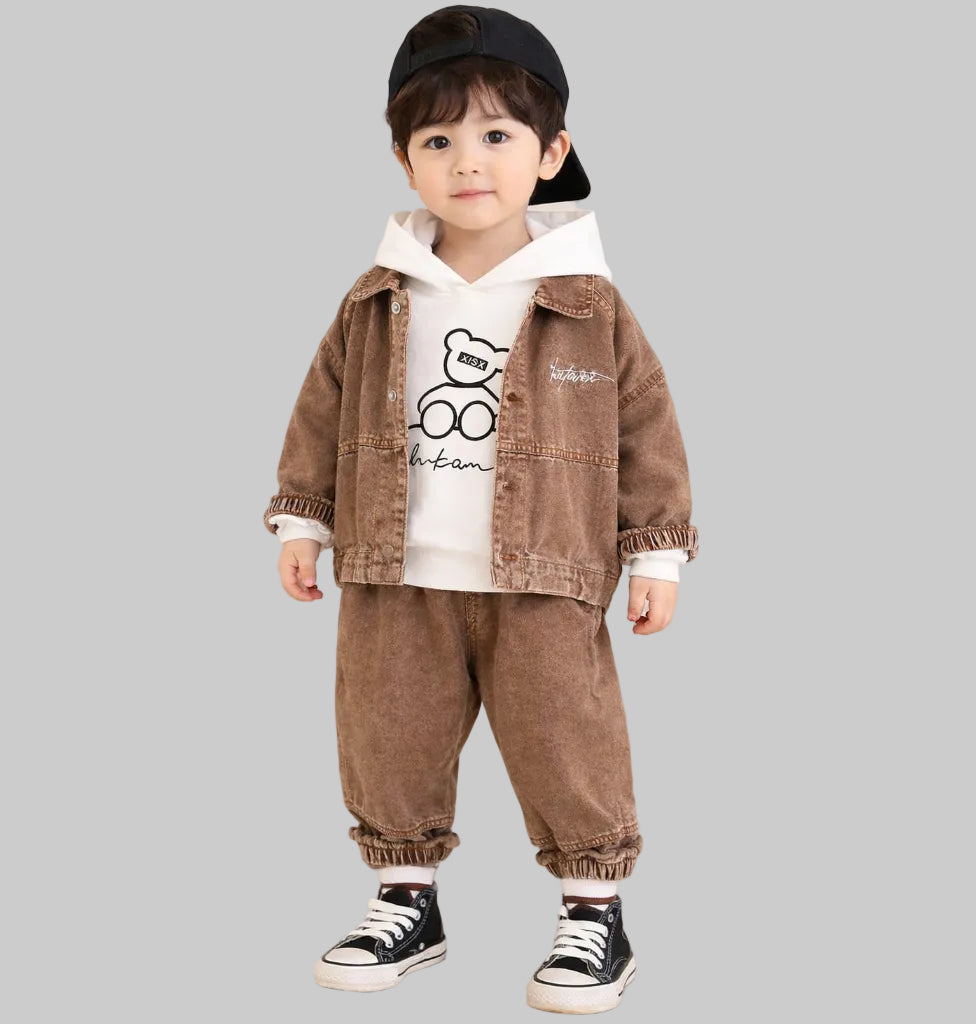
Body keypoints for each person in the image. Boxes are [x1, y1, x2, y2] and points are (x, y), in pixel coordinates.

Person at [261, 5, 699, 1014]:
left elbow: (646, 424)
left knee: (565, 737)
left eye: (498, 134)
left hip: (543, 573)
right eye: (437, 140)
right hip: (395, 570)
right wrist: (303, 520)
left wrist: (656, 553)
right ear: (404, 161)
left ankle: (594, 912)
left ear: (552, 153)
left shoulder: (588, 301)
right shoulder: (375, 297)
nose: (468, 161)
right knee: (387, 734)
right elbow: (321, 408)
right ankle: (404, 901)